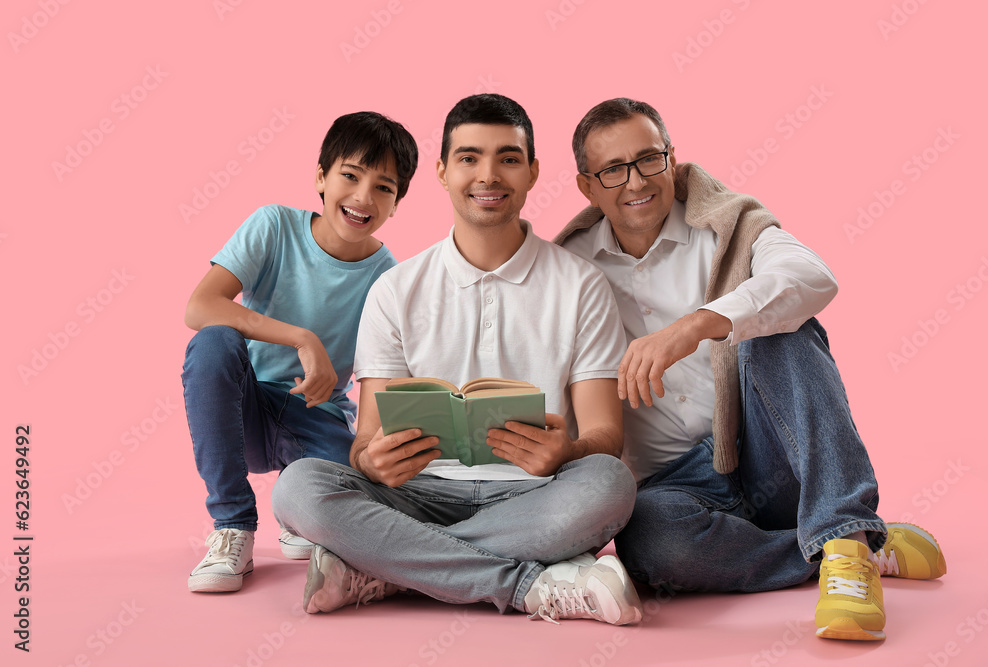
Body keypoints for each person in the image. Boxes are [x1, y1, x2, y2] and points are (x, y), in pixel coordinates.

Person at [555, 98, 946, 641]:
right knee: (650, 548)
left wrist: (698, 323)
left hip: (771, 456)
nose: (636, 180)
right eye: (613, 170)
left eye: (650, 159)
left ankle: (846, 546)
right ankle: (845, 541)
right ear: (587, 187)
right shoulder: (569, 265)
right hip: (676, 486)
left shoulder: (728, 223)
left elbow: (811, 275)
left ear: (671, 158)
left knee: (779, 328)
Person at [271, 94, 643, 625]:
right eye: (469, 158)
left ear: (533, 172)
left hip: (535, 495)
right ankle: (528, 584)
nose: (488, 176)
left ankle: (381, 567)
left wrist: (567, 452)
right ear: (443, 172)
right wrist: (369, 460)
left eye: (508, 159)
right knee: (299, 488)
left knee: (609, 482)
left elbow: (607, 434)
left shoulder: (581, 285)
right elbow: (363, 442)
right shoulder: (395, 290)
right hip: (415, 493)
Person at [182, 111, 418, 593]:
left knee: (376, 492)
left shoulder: (389, 276)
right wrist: (302, 338)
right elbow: (200, 306)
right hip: (247, 407)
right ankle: (233, 527)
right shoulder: (274, 226)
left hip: (320, 421)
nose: (362, 198)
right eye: (350, 176)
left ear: (396, 204)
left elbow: (389, 371)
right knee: (212, 341)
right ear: (321, 178)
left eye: (383, 188)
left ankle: (301, 516)